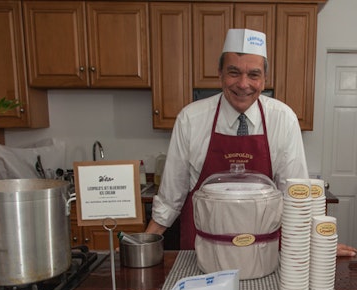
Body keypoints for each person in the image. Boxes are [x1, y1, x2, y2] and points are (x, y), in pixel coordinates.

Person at [146, 28, 356, 258]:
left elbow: (295, 197)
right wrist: (143, 244)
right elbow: (170, 198)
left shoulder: (283, 119)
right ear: (220, 74)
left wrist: (317, 243)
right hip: (204, 250)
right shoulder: (191, 119)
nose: (243, 84)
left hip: (263, 251)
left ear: (265, 79)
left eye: (254, 75)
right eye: (234, 72)